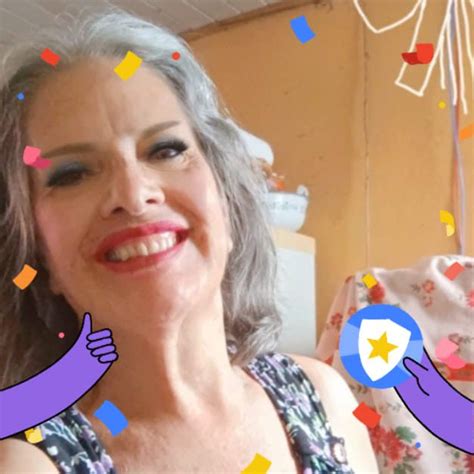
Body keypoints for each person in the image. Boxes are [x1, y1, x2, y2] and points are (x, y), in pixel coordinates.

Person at [0, 7, 378, 473]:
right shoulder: (27, 463)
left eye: (166, 149)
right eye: (72, 173)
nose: (133, 195)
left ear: (227, 201)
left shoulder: (324, 398)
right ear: (35, 252)